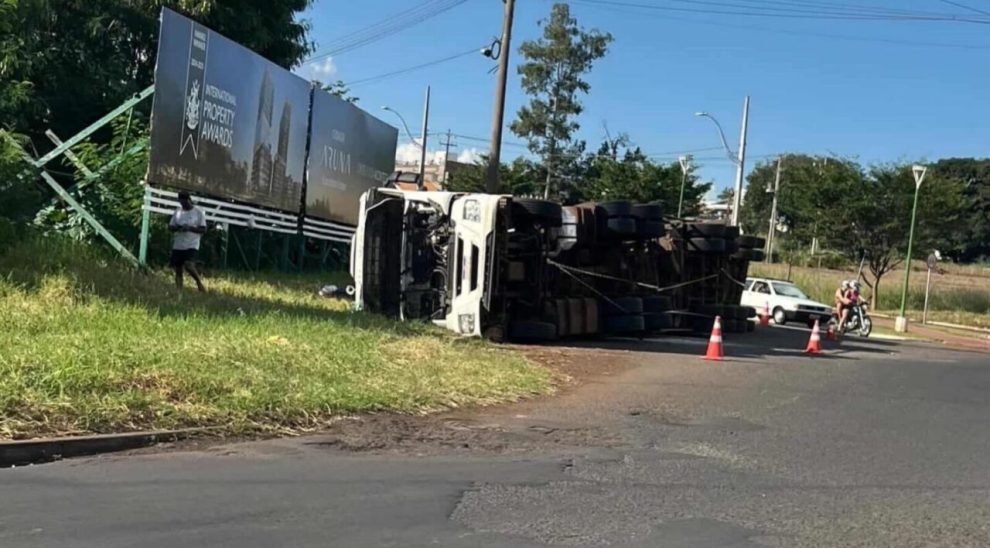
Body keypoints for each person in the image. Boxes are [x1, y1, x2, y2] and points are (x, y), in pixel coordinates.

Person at [169, 191, 208, 291]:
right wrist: (179, 228)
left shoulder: (198, 212)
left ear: (189, 200)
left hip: (192, 243)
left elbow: (203, 229)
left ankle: (199, 282)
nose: (183, 204)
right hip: (178, 244)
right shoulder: (178, 212)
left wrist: (190, 228)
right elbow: (171, 226)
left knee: (188, 265)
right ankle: (179, 290)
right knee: (178, 268)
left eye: (185, 202)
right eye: (181, 202)